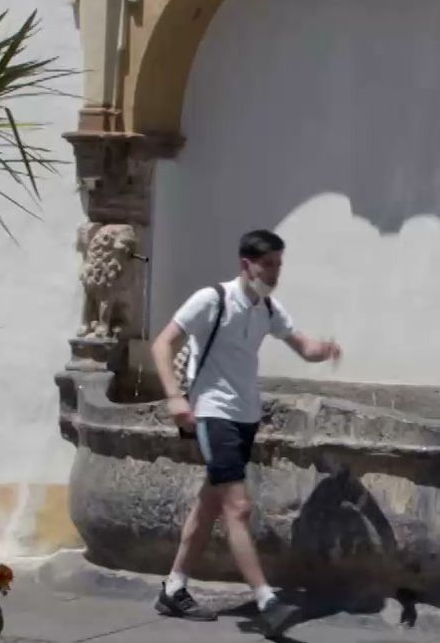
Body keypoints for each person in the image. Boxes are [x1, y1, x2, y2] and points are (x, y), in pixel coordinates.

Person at [148, 229, 341, 637]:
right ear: (246, 265)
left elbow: (303, 347)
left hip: (245, 416)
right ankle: (266, 600)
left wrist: (325, 349)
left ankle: (174, 587)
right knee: (238, 507)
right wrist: (173, 398)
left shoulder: (268, 308)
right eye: (267, 265)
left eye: (278, 265)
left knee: (210, 505)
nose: (274, 273)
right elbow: (162, 344)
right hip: (212, 414)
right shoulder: (212, 300)